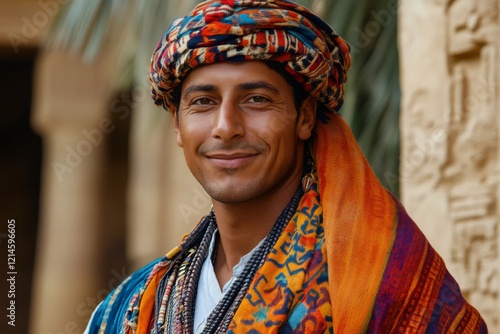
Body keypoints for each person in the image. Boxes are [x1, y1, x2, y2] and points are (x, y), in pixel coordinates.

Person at [85, 0, 487, 333]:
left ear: (306, 116)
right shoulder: (130, 307)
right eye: (203, 102)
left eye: (256, 100)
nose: (225, 127)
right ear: (177, 124)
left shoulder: (389, 283)